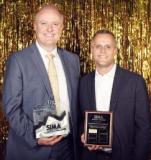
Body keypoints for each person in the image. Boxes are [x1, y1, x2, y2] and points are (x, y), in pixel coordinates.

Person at [3, 4, 80, 160]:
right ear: (35, 25)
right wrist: (35, 136)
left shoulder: (73, 60)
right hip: (32, 149)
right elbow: (11, 108)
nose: (50, 29)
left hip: (68, 148)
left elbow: (77, 104)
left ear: (62, 26)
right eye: (44, 23)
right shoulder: (18, 60)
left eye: (55, 24)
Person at [79, 29, 150, 160]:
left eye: (108, 46)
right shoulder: (83, 82)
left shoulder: (135, 82)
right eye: (98, 46)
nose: (102, 51)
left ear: (115, 50)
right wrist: (83, 135)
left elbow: (144, 128)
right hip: (90, 156)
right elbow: (79, 119)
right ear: (92, 49)